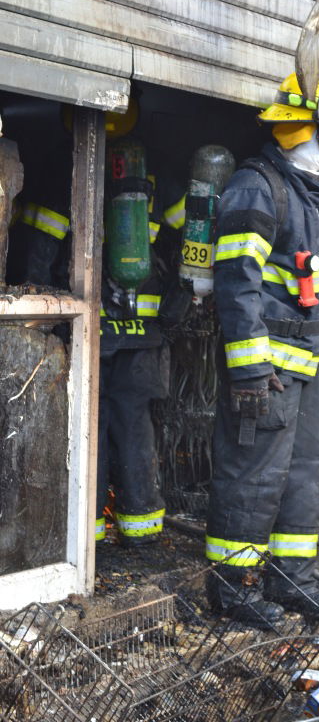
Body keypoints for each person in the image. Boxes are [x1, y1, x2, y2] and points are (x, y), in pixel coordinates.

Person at [205, 68, 319, 626]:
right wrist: (250, 373)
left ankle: (289, 580)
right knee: (253, 477)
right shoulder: (259, 187)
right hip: (268, 373)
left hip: (303, 372)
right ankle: (230, 588)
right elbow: (237, 282)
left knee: (303, 477)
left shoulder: (308, 195)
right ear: (318, 129)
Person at [7, 103, 188, 546]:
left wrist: (45, 313)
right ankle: (142, 531)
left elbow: (41, 249)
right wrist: (180, 296)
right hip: (144, 332)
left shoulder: (64, 169)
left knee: (88, 427)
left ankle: (91, 535)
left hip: (93, 331)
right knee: (135, 427)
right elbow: (193, 235)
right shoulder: (152, 177)